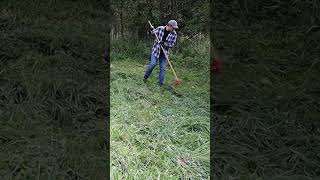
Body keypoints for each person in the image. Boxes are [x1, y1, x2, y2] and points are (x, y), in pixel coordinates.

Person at [143, 20, 178, 86]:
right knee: (153, 64)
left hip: (164, 53)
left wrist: (164, 44)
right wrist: (150, 30)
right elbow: (150, 35)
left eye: (174, 28)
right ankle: (145, 77)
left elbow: (171, 45)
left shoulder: (174, 34)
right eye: (173, 28)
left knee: (163, 68)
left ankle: (160, 84)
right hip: (156, 50)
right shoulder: (160, 28)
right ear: (169, 25)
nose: (174, 29)